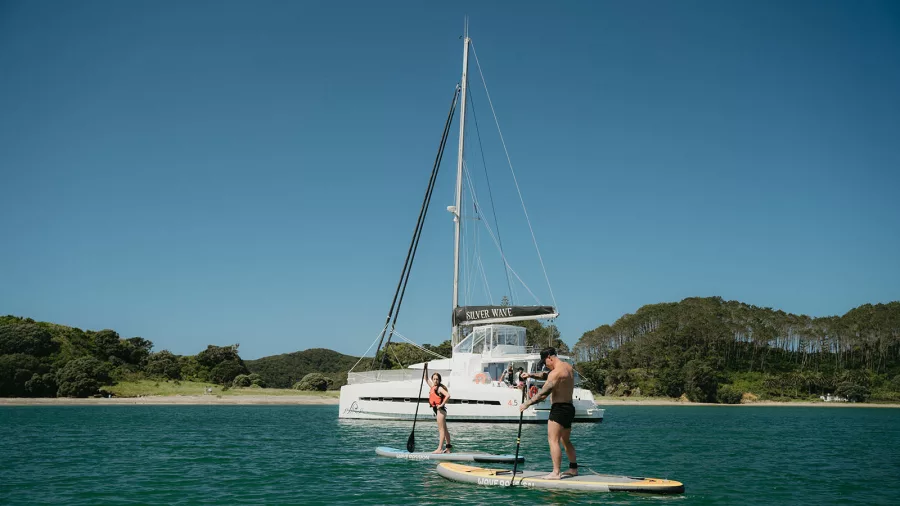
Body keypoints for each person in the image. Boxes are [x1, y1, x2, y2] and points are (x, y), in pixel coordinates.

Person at [519, 347, 577, 479]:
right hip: (569, 408)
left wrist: (526, 404)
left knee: (553, 440)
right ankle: (573, 469)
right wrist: (531, 375)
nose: (545, 365)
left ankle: (556, 473)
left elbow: (543, 394)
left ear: (549, 357)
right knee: (565, 440)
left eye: (545, 363)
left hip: (558, 409)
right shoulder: (567, 367)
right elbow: (547, 375)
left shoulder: (555, 374)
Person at [424, 363, 452, 453]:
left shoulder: (439, 388)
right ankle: (448, 449)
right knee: (445, 430)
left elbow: (448, 395)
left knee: (441, 430)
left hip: (440, 410)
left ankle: (439, 448)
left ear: (439, 380)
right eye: (434, 379)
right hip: (439, 411)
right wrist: (426, 368)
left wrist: (441, 404)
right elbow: (426, 379)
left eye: (437, 379)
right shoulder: (433, 387)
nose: (435, 380)